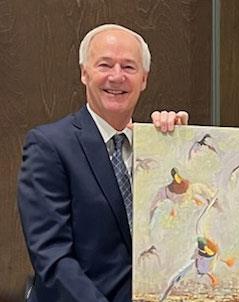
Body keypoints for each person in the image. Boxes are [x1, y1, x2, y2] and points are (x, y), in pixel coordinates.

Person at [17, 24, 188, 301]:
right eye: (105, 65)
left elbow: (184, 232)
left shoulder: (156, 148)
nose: (117, 77)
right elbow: (52, 256)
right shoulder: (50, 146)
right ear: (85, 73)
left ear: (144, 79)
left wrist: (181, 146)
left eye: (129, 67)